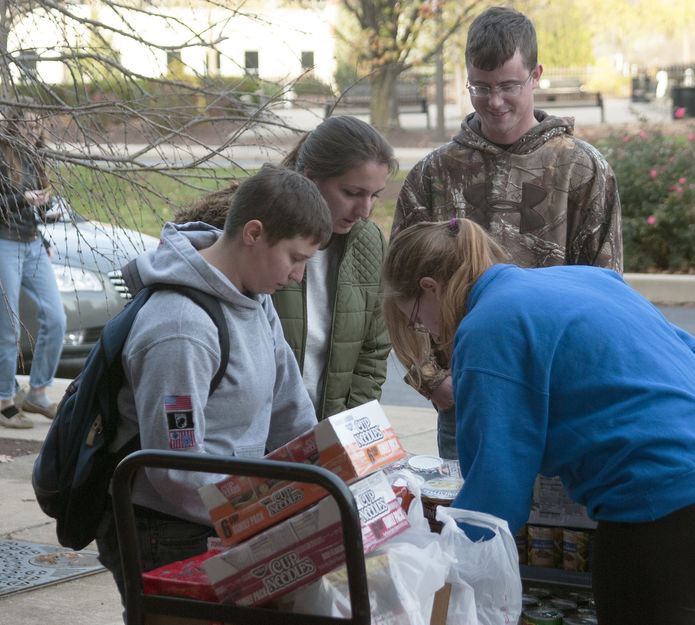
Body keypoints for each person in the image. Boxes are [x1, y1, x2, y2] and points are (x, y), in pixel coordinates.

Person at [382, 219, 695, 625]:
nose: (428, 331)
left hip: (663, 510)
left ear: (430, 287)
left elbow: (495, 492)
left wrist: (440, 570)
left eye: (416, 319)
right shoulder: (584, 278)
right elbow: (693, 351)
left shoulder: (487, 327)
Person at [95, 164, 332, 605]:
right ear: (254, 233)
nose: (298, 275)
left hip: (227, 515)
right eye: (296, 258)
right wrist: (253, 514)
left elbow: (289, 408)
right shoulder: (181, 329)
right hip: (169, 529)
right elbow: (176, 465)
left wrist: (321, 474)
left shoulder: (256, 297)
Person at [391, 7, 623, 458]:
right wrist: (432, 380)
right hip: (465, 405)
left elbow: (607, 290)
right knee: (470, 524)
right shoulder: (433, 174)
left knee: (554, 530)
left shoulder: (583, 169)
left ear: (535, 76)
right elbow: (401, 288)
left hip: (558, 401)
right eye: (480, 87)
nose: (494, 101)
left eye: (508, 86)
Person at [170, 116, 398, 420]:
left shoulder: (367, 241)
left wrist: (348, 427)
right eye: (352, 193)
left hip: (317, 431)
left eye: (374, 195)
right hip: (252, 439)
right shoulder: (253, 239)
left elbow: (372, 350)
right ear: (310, 178)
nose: (365, 211)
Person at [0, 101, 67, 428]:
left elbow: (36, 213)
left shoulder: (35, 158)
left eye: (37, 126)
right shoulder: (2, 156)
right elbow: (4, 205)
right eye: (26, 125)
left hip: (32, 244)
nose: (32, 132)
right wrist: (22, 199)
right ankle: (4, 401)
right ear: (13, 126)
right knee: (9, 327)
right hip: (4, 244)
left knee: (56, 318)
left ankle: (37, 392)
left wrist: (45, 213)